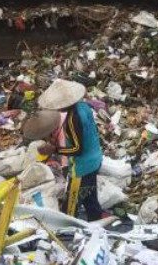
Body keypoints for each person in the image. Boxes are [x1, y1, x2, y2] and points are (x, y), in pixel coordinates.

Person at [22, 79, 104, 221]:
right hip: (95, 158)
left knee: (70, 206)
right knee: (90, 196)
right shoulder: (83, 106)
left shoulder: (73, 119)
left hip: (82, 167)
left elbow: (77, 149)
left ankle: (68, 232)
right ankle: (96, 220)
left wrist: (54, 150)